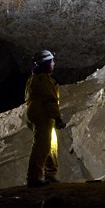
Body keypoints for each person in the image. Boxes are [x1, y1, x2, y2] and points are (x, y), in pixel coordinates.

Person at [24, 49, 65, 187]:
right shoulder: (43, 80)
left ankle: (50, 174)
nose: (53, 64)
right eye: (51, 62)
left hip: (40, 115)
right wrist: (57, 117)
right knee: (41, 146)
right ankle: (33, 178)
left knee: (50, 144)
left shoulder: (34, 79)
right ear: (45, 64)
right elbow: (50, 100)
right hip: (42, 115)